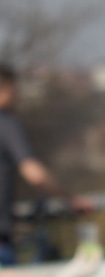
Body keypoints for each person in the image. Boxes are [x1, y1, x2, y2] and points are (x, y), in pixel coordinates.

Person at [0, 64, 93, 266]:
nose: (18, 95)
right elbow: (35, 174)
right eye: (15, 89)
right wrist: (70, 198)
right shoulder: (7, 124)